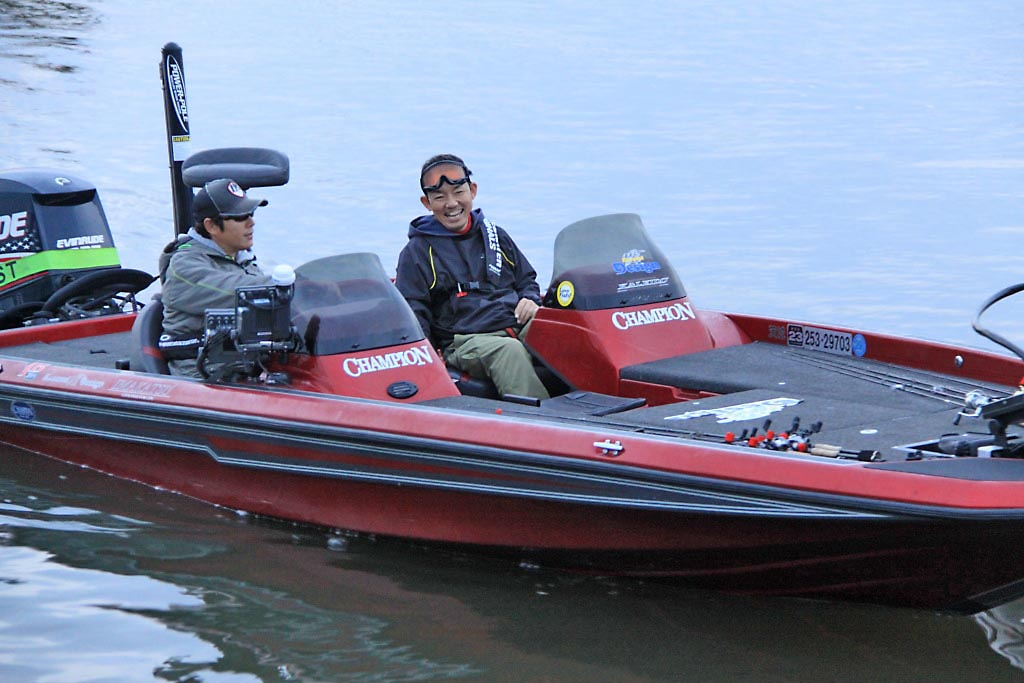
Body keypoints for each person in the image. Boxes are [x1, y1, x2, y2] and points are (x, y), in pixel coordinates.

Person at [395, 154, 549, 399]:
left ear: (473, 191)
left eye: (458, 192)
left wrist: (529, 298)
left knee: (562, 329)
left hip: (514, 323)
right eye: (439, 197)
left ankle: (604, 402)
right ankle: (540, 419)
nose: (451, 203)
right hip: (464, 340)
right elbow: (413, 311)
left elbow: (526, 279)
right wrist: (428, 356)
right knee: (509, 350)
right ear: (426, 203)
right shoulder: (417, 252)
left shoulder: (495, 235)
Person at [158, 178, 273, 377]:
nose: (251, 223)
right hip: (202, 374)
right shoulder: (184, 265)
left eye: (251, 214)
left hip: (247, 367)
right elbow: (239, 292)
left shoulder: (243, 260)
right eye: (240, 217)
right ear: (211, 226)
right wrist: (293, 284)